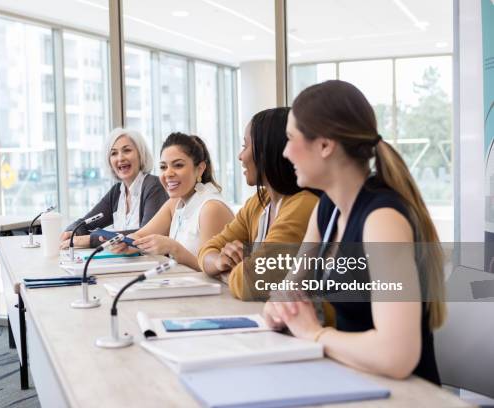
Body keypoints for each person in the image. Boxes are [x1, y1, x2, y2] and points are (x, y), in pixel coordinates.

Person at [263, 80, 446, 383]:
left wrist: (315, 333)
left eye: (290, 138)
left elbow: (397, 355)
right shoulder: (327, 210)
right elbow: (286, 291)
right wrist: (280, 308)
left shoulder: (382, 219)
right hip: (355, 379)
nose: (284, 153)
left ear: (324, 145)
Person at [198, 108, 318, 300]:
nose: (240, 156)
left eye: (245, 146)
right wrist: (221, 261)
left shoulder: (303, 205)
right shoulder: (258, 203)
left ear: (268, 151)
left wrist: (238, 268)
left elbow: (251, 280)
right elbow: (206, 250)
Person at [110, 132, 234, 271]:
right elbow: (141, 235)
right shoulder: (175, 202)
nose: (168, 173)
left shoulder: (211, 208)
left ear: (200, 169)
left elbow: (216, 271)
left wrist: (173, 248)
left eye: (178, 165)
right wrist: (127, 243)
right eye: (163, 167)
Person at [60, 128, 168, 248]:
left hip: (151, 263)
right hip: (122, 263)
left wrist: (91, 239)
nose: (120, 158)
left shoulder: (154, 186)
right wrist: (71, 233)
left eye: (127, 150)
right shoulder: (117, 191)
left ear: (140, 154)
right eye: (114, 153)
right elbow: (82, 224)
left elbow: (144, 236)